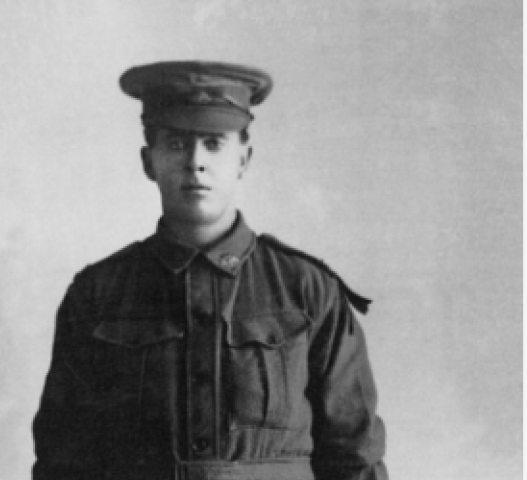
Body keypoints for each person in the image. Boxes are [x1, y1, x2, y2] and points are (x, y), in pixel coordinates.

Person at [32, 60, 388, 480]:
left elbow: (355, 456)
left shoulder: (308, 290)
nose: (196, 162)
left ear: (244, 158)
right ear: (149, 161)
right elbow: (63, 460)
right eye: (177, 144)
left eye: (215, 143)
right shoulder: (98, 295)